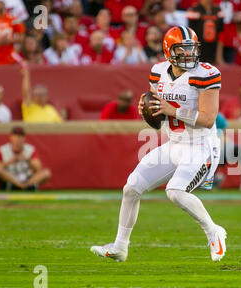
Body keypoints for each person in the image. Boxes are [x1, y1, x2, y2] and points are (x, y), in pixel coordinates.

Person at [91, 26, 227, 263]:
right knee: (131, 188)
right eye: (182, 49)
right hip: (174, 144)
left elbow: (207, 119)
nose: (188, 55)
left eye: (191, 49)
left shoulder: (206, 74)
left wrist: (170, 109)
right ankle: (120, 247)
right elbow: (158, 119)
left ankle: (213, 231)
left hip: (201, 146)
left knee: (175, 192)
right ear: (168, 50)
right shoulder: (158, 72)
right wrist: (149, 111)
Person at [0, 126, 51, 191]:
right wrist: (9, 162)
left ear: (24, 138)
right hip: (10, 178)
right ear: (11, 137)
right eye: (16, 136)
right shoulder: (3, 149)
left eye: (20, 136)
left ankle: (25, 186)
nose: (18, 138)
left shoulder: (30, 149)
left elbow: (38, 167)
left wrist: (27, 160)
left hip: (26, 178)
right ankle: (19, 186)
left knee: (46, 173)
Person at [187, 0, 224, 65]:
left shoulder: (218, 10)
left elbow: (221, 34)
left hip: (213, 52)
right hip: (198, 52)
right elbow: (190, 35)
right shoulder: (194, 10)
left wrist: (219, 56)